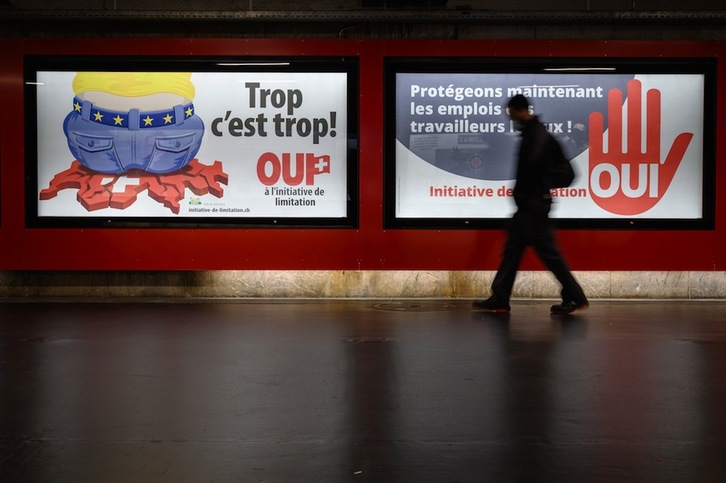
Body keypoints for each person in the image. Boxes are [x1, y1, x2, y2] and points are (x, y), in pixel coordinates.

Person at [473, 94, 588, 314]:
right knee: (512, 251)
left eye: (511, 114)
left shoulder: (536, 135)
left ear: (520, 110)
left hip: (533, 207)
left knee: (549, 255)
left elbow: (532, 168)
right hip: (529, 206)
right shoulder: (532, 133)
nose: (510, 119)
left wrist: (524, 193)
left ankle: (575, 295)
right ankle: (500, 296)